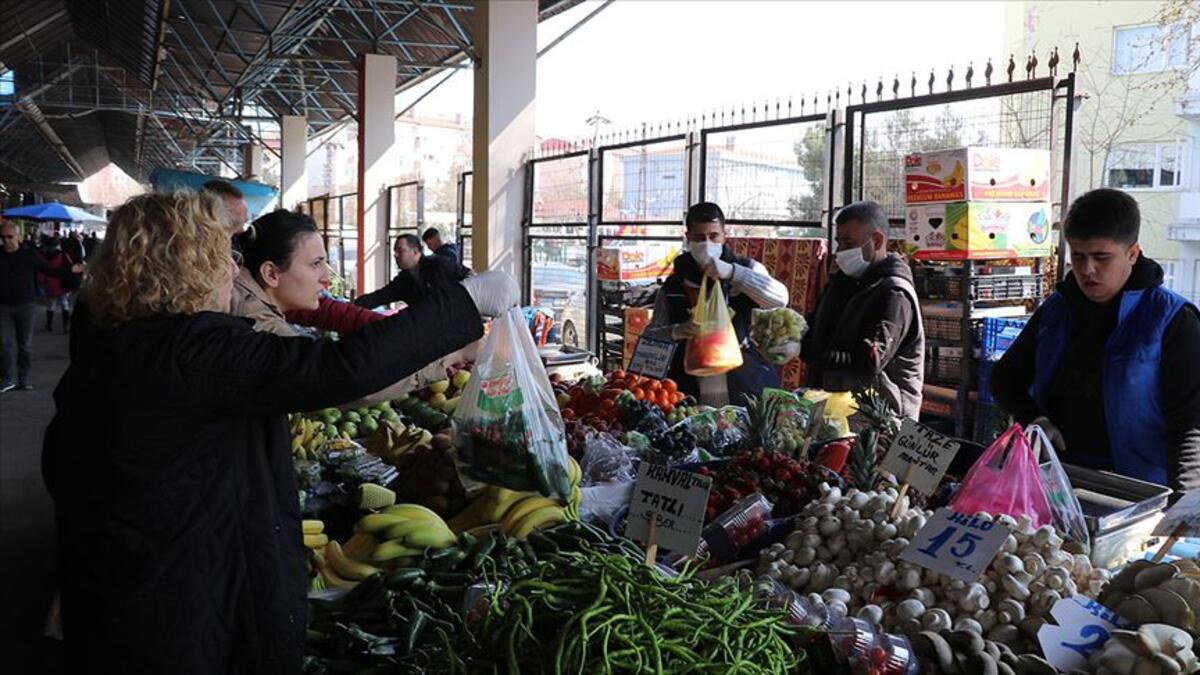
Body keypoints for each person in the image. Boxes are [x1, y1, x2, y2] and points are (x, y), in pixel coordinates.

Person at [41, 191, 519, 674]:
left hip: (117, 583)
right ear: (184, 264)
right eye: (219, 255)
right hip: (178, 605)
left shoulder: (110, 343)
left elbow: (59, 465)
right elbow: (336, 369)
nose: (230, 270)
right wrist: (465, 302)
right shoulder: (191, 350)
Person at [990, 188, 1200, 491]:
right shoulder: (1057, 309)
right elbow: (1005, 377)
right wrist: (1034, 417)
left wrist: (1181, 505)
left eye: (1102, 257)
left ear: (1132, 253)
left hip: (1137, 490)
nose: (1087, 270)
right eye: (1078, 256)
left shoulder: (1173, 320)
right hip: (1056, 479)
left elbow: (1191, 424)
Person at [642, 202, 790, 406]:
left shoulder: (746, 269)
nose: (707, 243)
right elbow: (650, 337)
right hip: (689, 392)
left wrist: (732, 273)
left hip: (745, 386)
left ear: (724, 235)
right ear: (687, 238)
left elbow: (779, 299)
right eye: (698, 238)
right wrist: (678, 331)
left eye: (713, 236)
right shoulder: (673, 285)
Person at [802, 201, 924, 419]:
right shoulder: (842, 283)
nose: (840, 252)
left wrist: (806, 351)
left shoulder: (895, 294)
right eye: (838, 242)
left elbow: (867, 364)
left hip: (878, 420)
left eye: (849, 243)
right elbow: (818, 326)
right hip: (834, 408)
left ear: (876, 241)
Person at [0, 221, 80, 392]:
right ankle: (6, 378)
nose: (6, 240)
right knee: (4, 343)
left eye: (10, 237)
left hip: (26, 305)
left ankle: (23, 378)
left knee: (25, 345)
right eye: (3, 237)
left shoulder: (29, 255)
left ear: (19, 237)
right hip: (3, 306)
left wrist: (70, 270)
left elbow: (49, 270)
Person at [354, 233, 471, 309]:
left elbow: (470, 276)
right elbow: (378, 297)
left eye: (400, 251)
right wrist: (352, 306)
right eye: (395, 251)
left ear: (415, 252)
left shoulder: (440, 265)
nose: (395, 255)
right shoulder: (403, 281)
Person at [37, 235, 79, 332]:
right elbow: (70, 268)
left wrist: (42, 283)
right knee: (65, 304)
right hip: (62, 283)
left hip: (49, 284)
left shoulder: (42, 256)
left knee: (50, 305)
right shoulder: (63, 255)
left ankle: (49, 325)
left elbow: (41, 273)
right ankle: (65, 326)